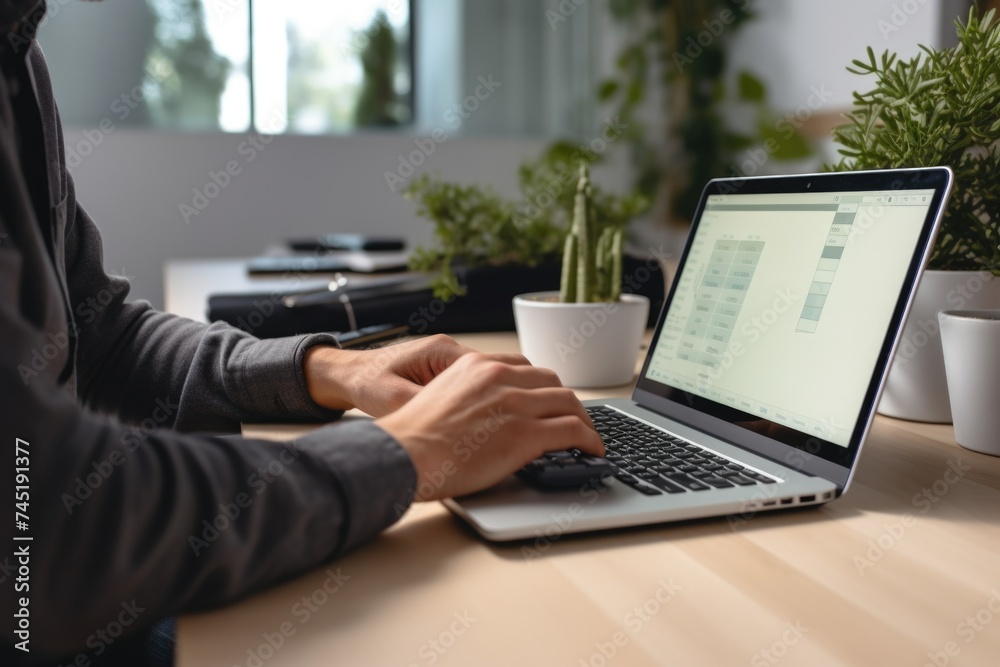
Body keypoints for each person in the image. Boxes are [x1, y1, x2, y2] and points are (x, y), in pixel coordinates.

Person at [0, 2, 604, 664]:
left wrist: (328, 369)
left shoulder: (20, 58)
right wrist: (405, 450)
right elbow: (51, 518)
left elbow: (104, 335)